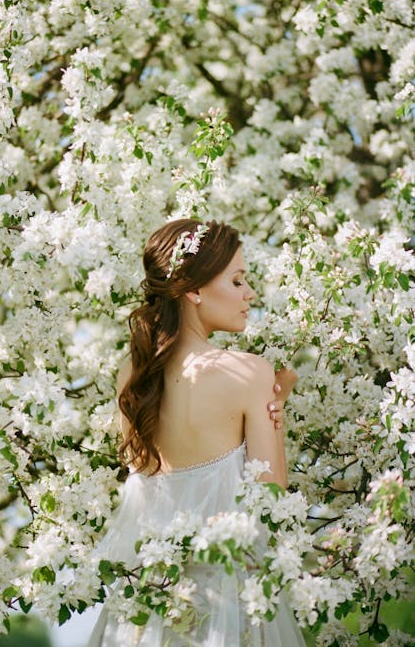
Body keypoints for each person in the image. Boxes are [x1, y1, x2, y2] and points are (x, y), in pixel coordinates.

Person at [87, 219, 306, 647]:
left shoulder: (132, 374)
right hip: (228, 603)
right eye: (238, 280)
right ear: (194, 289)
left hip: (149, 604)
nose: (250, 294)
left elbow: (140, 475)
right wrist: (276, 404)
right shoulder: (248, 372)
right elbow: (271, 494)